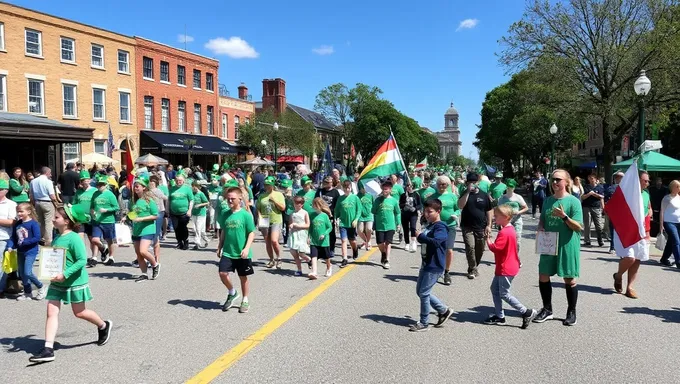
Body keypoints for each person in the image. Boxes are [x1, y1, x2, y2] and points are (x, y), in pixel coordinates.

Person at [29, 205, 112, 363]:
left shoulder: (74, 238)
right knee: (51, 311)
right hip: (57, 282)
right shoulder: (57, 237)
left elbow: (81, 260)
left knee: (79, 312)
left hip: (74, 281)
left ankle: (103, 325)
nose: (53, 219)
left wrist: (65, 274)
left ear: (66, 221)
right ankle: (48, 348)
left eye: (56, 217)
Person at [533, 169, 583, 326]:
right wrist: (540, 227)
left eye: (558, 179)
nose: (554, 182)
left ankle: (571, 311)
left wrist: (564, 217)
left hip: (567, 244)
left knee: (569, 278)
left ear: (566, 182)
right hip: (549, 242)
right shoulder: (548, 200)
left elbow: (578, 226)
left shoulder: (574, 202)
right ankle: (547, 309)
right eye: (552, 179)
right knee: (543, 275)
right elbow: (542, 219)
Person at [485, 205, 537, 328]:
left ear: (506, 217)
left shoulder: (504, 232)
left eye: (497, 216)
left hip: (506, 268)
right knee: (495, 289)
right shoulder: (510, 229)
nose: (494, 218)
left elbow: (496, 248)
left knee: (504, 293)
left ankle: (526, 312)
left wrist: (488, 240)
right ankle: (500, 315)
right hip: (506, 266)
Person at [409, 198, 453, 332]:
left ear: (438, 211)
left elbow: (436, 242)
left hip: (435, 265)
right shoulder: (431, 225)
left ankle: (424, 322)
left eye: (430, 211)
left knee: (424, 292)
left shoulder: (440, 227)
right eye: (425, 211)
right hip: (426, 263)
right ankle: (443, 310)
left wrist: (421, 237)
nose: (427, 214)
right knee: (421, 292)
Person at [612, 171, 653, 298]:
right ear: (637, 180)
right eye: (645, 180)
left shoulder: (646, 194)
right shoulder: (627, 192)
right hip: (628, 230)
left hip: (642, 230)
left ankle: (629, 287)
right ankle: (618, 275)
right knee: (630, 258)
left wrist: (649, 215)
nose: (647, 183)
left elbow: (649, 208)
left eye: (648, 181)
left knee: (638, 258)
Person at [216, 187, 256, 313]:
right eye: (228, 199)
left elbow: (251, 233)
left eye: (232, 199)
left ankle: (245, 299)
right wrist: (219, 246)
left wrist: (246, 248)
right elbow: (223, 231)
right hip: (228, 251)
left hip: (242, 252)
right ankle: (232, 292)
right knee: (222, 273)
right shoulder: (225, 214)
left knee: (243, 277)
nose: (230, 201)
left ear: (240, 199)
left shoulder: (245, 214)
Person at [458, 172, 493, 279]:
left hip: (481, 226)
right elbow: (460, 205)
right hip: (467, 226)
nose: (472, 184)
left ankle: (473, 267)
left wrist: (489, 225)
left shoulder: (484, 194)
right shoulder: (464, 193)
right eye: (470, 182)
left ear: (478, 182)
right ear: (467, 183)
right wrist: (468, 192)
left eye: (474, 182)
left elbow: (489, 210)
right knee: (470, 247)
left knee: (480, 248)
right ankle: (472, 269)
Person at [6, 202, 44, 301]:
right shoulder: (18, 224)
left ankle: (40, 286)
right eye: (18, 212)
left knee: (28, 272)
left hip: (31, 251)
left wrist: (25, 242)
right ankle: (28, 293)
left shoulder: (33, 224)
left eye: (21, 211)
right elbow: (14, 237)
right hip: (20, 251)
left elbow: (37, 238)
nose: (19, 214)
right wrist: (10, 246)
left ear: (29, 212)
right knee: (22, 274)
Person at [129, 178, 160, 282]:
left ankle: (155, 264)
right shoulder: (134, 201)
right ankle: (144, 274)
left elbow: (155, 215)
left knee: (143, 251)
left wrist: (141, 219)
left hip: (147, 229)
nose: (135, 188)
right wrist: (126, 217)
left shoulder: (149, 200)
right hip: (137, 229)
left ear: (144, 187)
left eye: (138, 186)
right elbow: (134, 213)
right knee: (139, 254)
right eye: (135, 186)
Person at [429, 176, 459, 285]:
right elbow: (428, 210)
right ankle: (435, 270)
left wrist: (455, 214)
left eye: (444, 184)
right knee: (435, 248)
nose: (441, 186)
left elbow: (457, 208)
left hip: (450, 225)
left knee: (449, 249)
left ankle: (447, 272)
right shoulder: (433, 197)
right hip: (437, 226)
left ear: (447, 185)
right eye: (439, 184)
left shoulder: (452, 196)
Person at [257, 176, 286, 268]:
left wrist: (274, 201)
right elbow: (258, 208)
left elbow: (283, 208)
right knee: (267, 241)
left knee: (274, 240)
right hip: (265, 220)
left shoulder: (279, 195)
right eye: (266, 185)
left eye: (269, 185)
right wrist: (259, 217)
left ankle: (279, 258)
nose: (267, 186)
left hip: (276, 219)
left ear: (273, 185)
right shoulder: (262, 196)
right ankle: (271, 260)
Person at [372, 180, 401, 270]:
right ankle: (383, 253)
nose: (385, 191)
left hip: (390, 225)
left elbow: (397, 213)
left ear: (390, 190)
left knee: (388, 243)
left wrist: (398, 224)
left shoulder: (394, 201)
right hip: (380, 225)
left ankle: (387, 260)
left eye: (387, 189)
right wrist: (377, 201)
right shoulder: (378, 200)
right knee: (380, 243)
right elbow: (373, 211)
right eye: (383, 189)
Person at [90, 175, 119, 265]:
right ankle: (102, 249)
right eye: (98, 184)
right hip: (97, 221)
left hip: (108, 220)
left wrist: (106, 210)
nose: (100, 186)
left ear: (106, 185)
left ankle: (111, 257)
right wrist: (92, 212)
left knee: (109, 240)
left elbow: (116, 207)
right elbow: (92, 206)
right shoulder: (95, 194)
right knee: (94, 239)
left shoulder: (110, 194)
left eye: (102, 184)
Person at [335, 179, 362, 267]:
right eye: (345, 188)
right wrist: (336, 219)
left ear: (351, 188)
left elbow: (359, 210)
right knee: (343, 240)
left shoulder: (355, 198)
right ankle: (344, 258)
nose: (347, 189)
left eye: (349, 188)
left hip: (352, 223)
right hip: (343, 223)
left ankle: (355, 249)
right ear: (343, 188)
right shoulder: (340, 198)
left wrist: (356, 219)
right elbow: (337, 210)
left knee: (352, 241)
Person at [498, 179, 528, 256]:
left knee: (517, 240)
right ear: (506, 187)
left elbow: (526, 208)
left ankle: (516, 257)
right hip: (506, 221)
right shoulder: (502, 198)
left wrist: (518, 212)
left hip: (517, 220)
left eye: (512, 187)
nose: (510, 189)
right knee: (506, 239)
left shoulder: (518, 197)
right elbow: (498, 209)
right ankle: (506, 256)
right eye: (508, 187)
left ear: (514, 187)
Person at [30, 166, 58, 246]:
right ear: (47, 173)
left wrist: (33, 204)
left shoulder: (33, 181)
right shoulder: (48, 182)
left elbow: (31, 195)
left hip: (37, 202)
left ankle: (40, 238)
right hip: (47, 202)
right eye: (50, 173)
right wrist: (56, 203)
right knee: (49, 222)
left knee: (40, 221)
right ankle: (48, 240)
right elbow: (52, 195)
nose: (51, 175)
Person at [315, 176, 341, 257]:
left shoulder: (335, 192)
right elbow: (316, 200)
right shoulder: (320, 191)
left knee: (331, 232)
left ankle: (331, 249)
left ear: (331, 183)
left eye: (328, 182)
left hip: (331, 215)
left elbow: (338, 205)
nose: (327, 184)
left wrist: (336, 217)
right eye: (325, 182)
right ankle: (321, 249)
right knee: (320, 231)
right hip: (321, 214)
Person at [0, 179, 17, 296]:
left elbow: (12, 222)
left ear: (6, 191)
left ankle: (0, 289)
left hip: (4, 237)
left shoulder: (11, 204)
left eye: (0, 189)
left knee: (1, 264)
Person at [309, 197, 333, 278]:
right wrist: (308, 237)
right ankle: (314, 272)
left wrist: (324, 234)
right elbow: (310, 227)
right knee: (313, 255)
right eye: (313, 205)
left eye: (316, 205)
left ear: (320, 206)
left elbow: (329, 227)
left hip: (324, 241)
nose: (314, 207)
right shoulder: (311, 215)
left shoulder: (324, 216)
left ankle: (329, 267)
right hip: (314, 240)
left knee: (326, 257)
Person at [288, 196, 311, 276]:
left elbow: (308, 225)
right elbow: (290, 224)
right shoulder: (292, 213)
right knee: (293, 252)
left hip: (302, 234)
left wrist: (298, 226)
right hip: (294, 234)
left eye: (298, 203)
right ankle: (299, 269)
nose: (296, 205)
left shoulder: (305, 213)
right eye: (295, 203)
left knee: (301, 253)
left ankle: (308, 259)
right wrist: (291, 226)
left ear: (302, 204)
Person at [169, 175, 194, 250]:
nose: (178, 181)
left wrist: (189, 210)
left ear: (183, 181)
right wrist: (167, 209)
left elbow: (191, 200)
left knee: (183, 228)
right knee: (176, 228)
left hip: (184, 212)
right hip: (173, 212)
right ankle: (179, 242)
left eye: (180, 180)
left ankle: (185, 241)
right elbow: (168, 200)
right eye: (177, 180)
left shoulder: (187, 189)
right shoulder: (172, 189)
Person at [659, 180, 680, 268]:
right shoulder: (666, 198)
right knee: (676, 241)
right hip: (669, 222)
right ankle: (678, 261)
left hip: (678, 222)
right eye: (677, 186)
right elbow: (662, 211)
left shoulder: (679, 197)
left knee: (671, 241)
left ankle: (664, 259)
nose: (679, 188)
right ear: (672, 187)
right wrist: (661, 225)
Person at [581, 174, 605, 247]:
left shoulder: (600, 187)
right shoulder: (586, 187)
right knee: (587, 225)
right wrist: (589, 194)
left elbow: (602, 197)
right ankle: (587, 240)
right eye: (590, 178)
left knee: (598, 225)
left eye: (592, 178)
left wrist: (594, 194)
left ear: (595, 179)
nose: (591, 179)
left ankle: (600, 240)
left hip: (596, 207)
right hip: (586, 207)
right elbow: (583, 197)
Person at [148, 176, 167, 264]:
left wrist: (157, 197)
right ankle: (151, 256)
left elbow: (165, 197)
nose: (151, 185)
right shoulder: (147, 191)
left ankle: (155, 258)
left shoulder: (157, 190)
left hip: (159, 212)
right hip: (151, 212)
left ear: (156, 184)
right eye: (150, 183)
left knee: (155, 233)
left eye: (152, 183)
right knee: (151, 233)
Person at [400, 183, 423, 253]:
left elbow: (420, 204)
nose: (409, 187)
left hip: (413, 214)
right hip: (405, 214)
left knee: (413, 227)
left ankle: (413, 242)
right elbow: (400, 204)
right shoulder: (403, 195)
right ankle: (407, 243)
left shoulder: (416, 194)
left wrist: (415, 208)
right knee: (405, 228)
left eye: (410, 186)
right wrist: (404, 205)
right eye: (407, 186)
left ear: (413, 187)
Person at [191, 182, 210, 250]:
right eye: (193, 187)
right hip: (194, 213)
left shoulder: (201, 194)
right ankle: (206, 239)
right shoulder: (192, 193)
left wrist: (200, 205)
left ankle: (197, 243)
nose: (194, 188)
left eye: (195, 187)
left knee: (198, 228)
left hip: (201, 214)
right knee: (196, 229)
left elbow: (207, 202)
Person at [357, 181, 374, 251]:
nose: (363, 190)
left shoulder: (370, 195)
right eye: (361, 188)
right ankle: (367, 241)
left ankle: (368, 243)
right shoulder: (357, 196)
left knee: (369, 229)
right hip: (360, 216)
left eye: (364, 188)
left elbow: (373, 204)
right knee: (360, 231)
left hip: (369, 215)